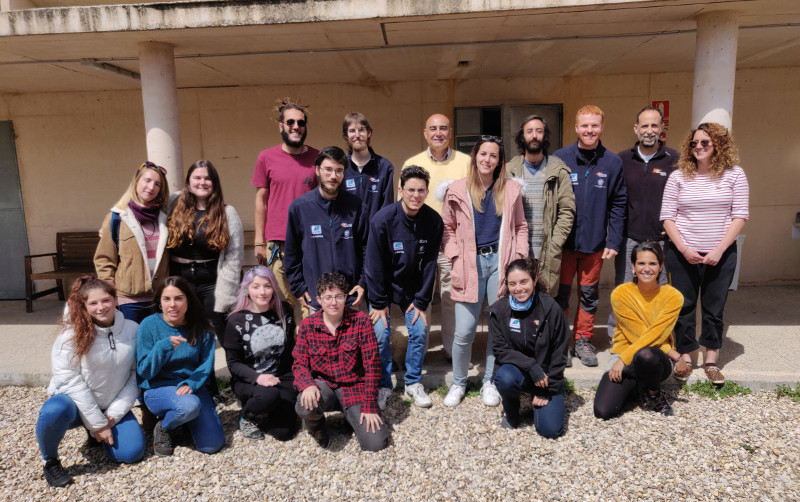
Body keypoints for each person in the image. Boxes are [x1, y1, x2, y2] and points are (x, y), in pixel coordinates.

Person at [440, 136, 528, 408]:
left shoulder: (511, 189)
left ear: (500, 161)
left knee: (497, 329)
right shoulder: (457, 189)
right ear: (475, 157)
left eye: (493, 155)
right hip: (469, 265)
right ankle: (458, 382)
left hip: (500, 265)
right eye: (483, 154)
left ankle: (489, 380)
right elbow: (446, 228)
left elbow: (521, 226)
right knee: (464, 331)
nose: (487, 159)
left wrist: (519, 259)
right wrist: (454, 256)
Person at [660, 122, 749, 385]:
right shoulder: (678, 176)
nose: (698, 147)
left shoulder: (735, 175)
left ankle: (711, 360)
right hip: (682, 254)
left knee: (714, 308)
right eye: (694, 143)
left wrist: (719, 250)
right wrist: (685, 249)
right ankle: (686, 357)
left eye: (704, 143)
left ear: (719, 145)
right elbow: (667, 217)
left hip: (720, 256)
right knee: (684, 307)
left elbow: (740, 215)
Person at [36, 276, 145, 488]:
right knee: (53, 410)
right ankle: (50, 461)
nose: (101, 307)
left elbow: (135, 376)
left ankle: (95, 435)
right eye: (93, 303)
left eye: (106, 300)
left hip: (110, 405)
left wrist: (113, 414)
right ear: (84, 306)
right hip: (75, 406)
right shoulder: (70, 335)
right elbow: (68, 379)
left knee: (131, 453)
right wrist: (98, 423)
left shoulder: (133, 329)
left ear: (115, 300)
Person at [553, 105, 626, 367]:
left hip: (595, 245)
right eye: (584, 125)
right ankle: (560, 341)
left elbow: (618, 204)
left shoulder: (612, 162)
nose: (589, 130)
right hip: (563, 245)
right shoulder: (559, 158)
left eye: (594, 125)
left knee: (589, 295)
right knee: (560, 295)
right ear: (576, 128)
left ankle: (583, 339)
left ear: (602, 127)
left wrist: (613, 240)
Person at [365, 165, 443, 409]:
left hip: (412, 289)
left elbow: (431, 264)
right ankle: (383, 384)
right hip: (383, 287)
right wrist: (378, 302)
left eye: (421, 190)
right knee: (380, 334)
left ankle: (412, 382)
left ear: (427, 192)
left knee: (419, 331)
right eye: (411, 190)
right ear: (400, 190)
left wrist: (421, 301)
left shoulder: (433, 220)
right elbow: (373, 264)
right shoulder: (382, 219)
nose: (415, 195)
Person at [292, 272, 390, 451]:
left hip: (354, 388)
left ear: (346, 297)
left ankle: (350, 416)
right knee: (304, 405)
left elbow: (372, 366)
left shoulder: (361, 321)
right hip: (325, 386)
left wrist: (369, 404)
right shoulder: (308, 326)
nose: (333, 302)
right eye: (328, 297)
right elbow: (299, 363)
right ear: (319, 300)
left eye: (338, 296)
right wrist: (307, 384)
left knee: (376, 443)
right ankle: (316, 427)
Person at [402, 113, 470, 361]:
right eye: (433, 128)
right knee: (422, 298)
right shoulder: (413, 163)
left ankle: (451, 350)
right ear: (425, 132)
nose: (438, 133)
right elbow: (404, 203)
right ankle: (419, 348)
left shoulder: (466, 162)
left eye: (443, 128)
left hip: (454, 243)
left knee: (452, 298)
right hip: (420, 243)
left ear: (450, 132)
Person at [607, 106, 678, 340]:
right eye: (645, 126)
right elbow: (613, 199)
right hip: (630, 238)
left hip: (663, 241)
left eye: (654, 126)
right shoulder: (622, 159)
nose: (649, 131)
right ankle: (620, 338)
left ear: (662, 129)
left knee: (659, 292)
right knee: (625, 290)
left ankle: (657, 338)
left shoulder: (675, 160)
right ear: (636, 129)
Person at [593, 241, 685, 419]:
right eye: (641, 263)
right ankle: (638, 387)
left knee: (646, 355)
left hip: (654, 359)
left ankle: (654, 392)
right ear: (633, 266)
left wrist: (622, 360)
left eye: (652, 263)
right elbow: (638, 334)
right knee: (604, 411)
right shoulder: (620, 294)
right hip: (624, 354)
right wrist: (676, 355)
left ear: (661, 266)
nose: (647, 269)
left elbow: (655, 336)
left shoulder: (673, 296)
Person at [137, 276, 224, 456]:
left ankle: (183, 421)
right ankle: (165, 426)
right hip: (158, 388)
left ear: (188, 300)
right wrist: (162, 347)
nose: (173, 305)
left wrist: (191, 384)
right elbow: (144, 371)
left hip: (191, 388)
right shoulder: (149, 325)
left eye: (178, 298)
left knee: (211, 445)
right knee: (189, 407)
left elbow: (205, 366)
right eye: (166, 299)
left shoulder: (203, 327)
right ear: (159, 302)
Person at [252, 99, 319, 320]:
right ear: (281, 126)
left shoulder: (318, 159)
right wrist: (259, 241)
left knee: (311, 302)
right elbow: (261, 201)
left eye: (301, 122)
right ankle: (288, 352)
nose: (296, 126)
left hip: (310, 242)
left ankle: (310, 351)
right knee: (282, 305)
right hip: (277, 244)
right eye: (290, 122)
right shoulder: (266, 157)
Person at [284, 146, 369, 315]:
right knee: (319, 342)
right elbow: (292, 253)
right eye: (328, 170)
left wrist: (363, 282)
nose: (333, 176)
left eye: (339, 170)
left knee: (351, 342)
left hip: (349, 298)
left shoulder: (357, 206)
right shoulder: (300, 208)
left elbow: (367, 248)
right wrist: (299, 287)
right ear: (317, 170)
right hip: (316, 299)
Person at [490, 258, 569, 438]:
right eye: (513, 284)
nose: (519, 288)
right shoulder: (499, 311)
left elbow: (560, 353)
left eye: (524, 281)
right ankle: (512, 411)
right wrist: (531, 366)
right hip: (520, 371)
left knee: (550, 431)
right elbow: (500, 349)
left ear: (534, 280)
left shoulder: (551, 308)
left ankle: (539, 399)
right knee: (504, 377)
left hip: (546, 377)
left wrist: (546, 389)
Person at [167, 159, 243, 339]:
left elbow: (235, 255)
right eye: (197, 177)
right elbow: (144, 210)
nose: (202, 182)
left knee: (224, 331)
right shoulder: (173, 204)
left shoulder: (227, 212)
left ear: (214, 183)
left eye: (207, 178)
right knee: (184, 331)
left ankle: (237, 366)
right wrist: (112, 228)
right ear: (188, 181)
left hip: (212, 281)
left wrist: (227, 291)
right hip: (179, 278)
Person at [224, 266, 298, 441]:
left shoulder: (285, 310)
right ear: (247, 290)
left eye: (267, 286)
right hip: (250, 378)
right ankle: (247, 415)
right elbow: (233, 364)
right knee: (268, 396)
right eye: (255, 286)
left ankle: (265, 407)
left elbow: (290, 349)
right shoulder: (236, 320)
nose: (262, 292)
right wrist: (258, 378)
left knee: (284, 433)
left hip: (282, 376)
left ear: (274, 287)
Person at [506, 114, 575, 296]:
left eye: (539, 131)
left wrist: (555, 243)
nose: (534, 135)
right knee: (518, 300)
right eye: (529, 131)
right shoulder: (509, 170)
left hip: (546, 251)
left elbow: (567, 211)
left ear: (545, 136)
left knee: (545, 301)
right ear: (522, 137)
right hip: (517, 251)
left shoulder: (558, 171)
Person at [94, 161, 170, 323]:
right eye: (147, 181)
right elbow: (104, 259)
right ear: (136, 182)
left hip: (159, 299)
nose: (151, 187)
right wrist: (109, 292)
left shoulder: (166, 219)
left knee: (156, 346)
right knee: (130, 347)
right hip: (128, 301)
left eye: (157, 184)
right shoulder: (117, 218)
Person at [342, 112, 395, 221]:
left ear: (369, 133)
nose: (357, 135)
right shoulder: (340, 167)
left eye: (361, 130)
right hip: (348, 235)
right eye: (352, 130)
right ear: (346, 136)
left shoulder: (385, 167)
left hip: (375, 235)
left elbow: (387, 207)